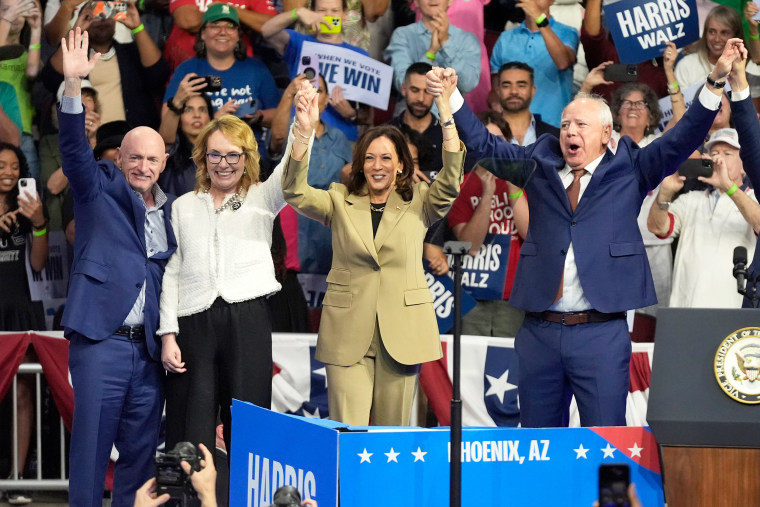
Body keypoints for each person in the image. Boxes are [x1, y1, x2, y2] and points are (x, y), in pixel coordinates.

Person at [427, 38, 746, 427]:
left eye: (580, 125)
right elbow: (481, 145)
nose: (568, 131)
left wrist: (714, 82)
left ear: (606, 134)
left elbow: (684, 137)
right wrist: (451, 95)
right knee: (539, 448)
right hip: (539, 332)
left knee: (603, 442)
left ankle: (605, 493)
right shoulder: (537, 161)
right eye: (564, 125)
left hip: (601, 333)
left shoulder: (631, 167)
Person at [281, 71, 465, 426]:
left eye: (385, 158)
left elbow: (452, 178)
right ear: (360, 164)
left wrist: (445, 111)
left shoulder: (422, 202)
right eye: (369, 158)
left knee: (390, 439)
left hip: (402, 333)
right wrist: (303, 131)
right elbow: (295, 191)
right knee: (347, 433)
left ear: (400, 165)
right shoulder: (339, 199)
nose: (377, 166)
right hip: (348, 334)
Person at [58, 27, 176, 507]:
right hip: (100, 342)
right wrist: (71, 87)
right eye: (135, 158)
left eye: (152, 159)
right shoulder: (98, 187)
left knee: (140, 458)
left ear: (163, 162)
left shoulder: (175, 210)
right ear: (119, 157)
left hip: (148, 354)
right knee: (89, 455)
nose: (143, 166)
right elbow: (72, 153)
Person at [158, 113, 289, 455]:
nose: (224, 163)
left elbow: (291, 172)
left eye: (233, 155)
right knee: (190, 427)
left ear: (246, 158)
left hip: (248, 319)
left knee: (249, 424)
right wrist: (168, 333)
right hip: (192, 322)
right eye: (215, 154)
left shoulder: (263, 197)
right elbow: (172, 271)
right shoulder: (182, 207)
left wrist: (302, 130)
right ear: (202, 158)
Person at [648, 126, 760, 308]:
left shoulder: (754, 198)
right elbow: (657, 227)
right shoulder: (691, 200)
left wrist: (729, 186)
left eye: (727, 154)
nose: (718, 159)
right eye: (714, 152)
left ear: (744, 165)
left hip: (734, 316)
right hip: (686, 313)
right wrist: (665, 193)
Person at [162, 4, 281, 159]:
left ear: (238, 35)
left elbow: (279, 117)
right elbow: (165, 136)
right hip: (199, 160)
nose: (223, 31)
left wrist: (257, 115)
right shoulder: (187, 70)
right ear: (203, 33)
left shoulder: (256, 69)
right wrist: (214, 121)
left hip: (249, 157)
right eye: (215, 25)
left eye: (231, 26)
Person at [448, 112, 528, 338]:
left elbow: (529, 234)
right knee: (469, 367)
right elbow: (470, 244)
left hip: (512, 295)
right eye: (487, 141)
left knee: (508, 369)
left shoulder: (524, 180)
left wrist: (512, 183)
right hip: (472, 295)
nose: (493, 149)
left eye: (499, 142)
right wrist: (488, 193)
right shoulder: (460, 186)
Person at [0, 142, 47, 506]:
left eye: (15, 166)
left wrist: (40, 224)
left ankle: (16, 477)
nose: (9, 172)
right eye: (2, 165)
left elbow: (38, 264)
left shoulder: (27, 208)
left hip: (21, 312)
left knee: (22, 393)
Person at [42, 1, 170, 129]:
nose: (102, 20)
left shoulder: (130, 53)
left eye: (108, 14)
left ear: (116, 20)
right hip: (88, 139)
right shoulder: (75, 56)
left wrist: (138, 27)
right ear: (84, 20)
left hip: (131, 138)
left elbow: (158, 74)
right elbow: (51, 79)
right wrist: (76, 31)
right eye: (95, 15)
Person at [261, 0, 369, 141]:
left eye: (334, 11)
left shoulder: (360, 55)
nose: (327, 16)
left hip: (342, 138)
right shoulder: (298, 42)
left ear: (345, 15)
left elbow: (368, 116)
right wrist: (297, 13)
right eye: (322, 10)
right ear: (312, 12)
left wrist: (351, 113)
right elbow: (266, 31)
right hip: (299, 134)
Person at [488, 0, 578, 127]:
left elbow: (563, 62)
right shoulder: (505, 38)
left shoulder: (567, 32)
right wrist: (495, 103)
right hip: (511, 130)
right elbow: (495, 90)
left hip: (552, 128)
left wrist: (539, 18)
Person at [384, 0, 481, 99]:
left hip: (450, 113)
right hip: (412, 111)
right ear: (416, 2)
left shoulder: (467, 39)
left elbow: (468, 85)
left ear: (450, 1)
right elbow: (403, 84)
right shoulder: (402, 35)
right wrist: (431, 53)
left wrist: (446, 44)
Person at [0, 0, 42, 183]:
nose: (15, 15)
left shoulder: (26, 54)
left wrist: (36, 29)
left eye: (20, 9)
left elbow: (32, 71)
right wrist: (5, 22)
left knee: (29, 188)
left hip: (22, 132)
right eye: (7, 9)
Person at [158, 91, 213, 196]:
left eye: (202, 110)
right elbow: (165, 140)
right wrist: (177, 103)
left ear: (210, 118)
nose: (197, 115)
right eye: (188, 110)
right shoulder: (171, 149)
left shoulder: (219, 153)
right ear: (178, 119)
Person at [675, 5, 741, 90]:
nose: (717, 39)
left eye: (724, 33)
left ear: (736, 35)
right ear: (705, 34)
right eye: (712, 32)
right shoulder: (685, 66)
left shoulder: (745, 67)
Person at [492, 61, 559, 145]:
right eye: (506, 86)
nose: (514, 91)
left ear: (532, 91)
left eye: (521, 86)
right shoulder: (483, 133)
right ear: (498, 91)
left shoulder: (555, 136)